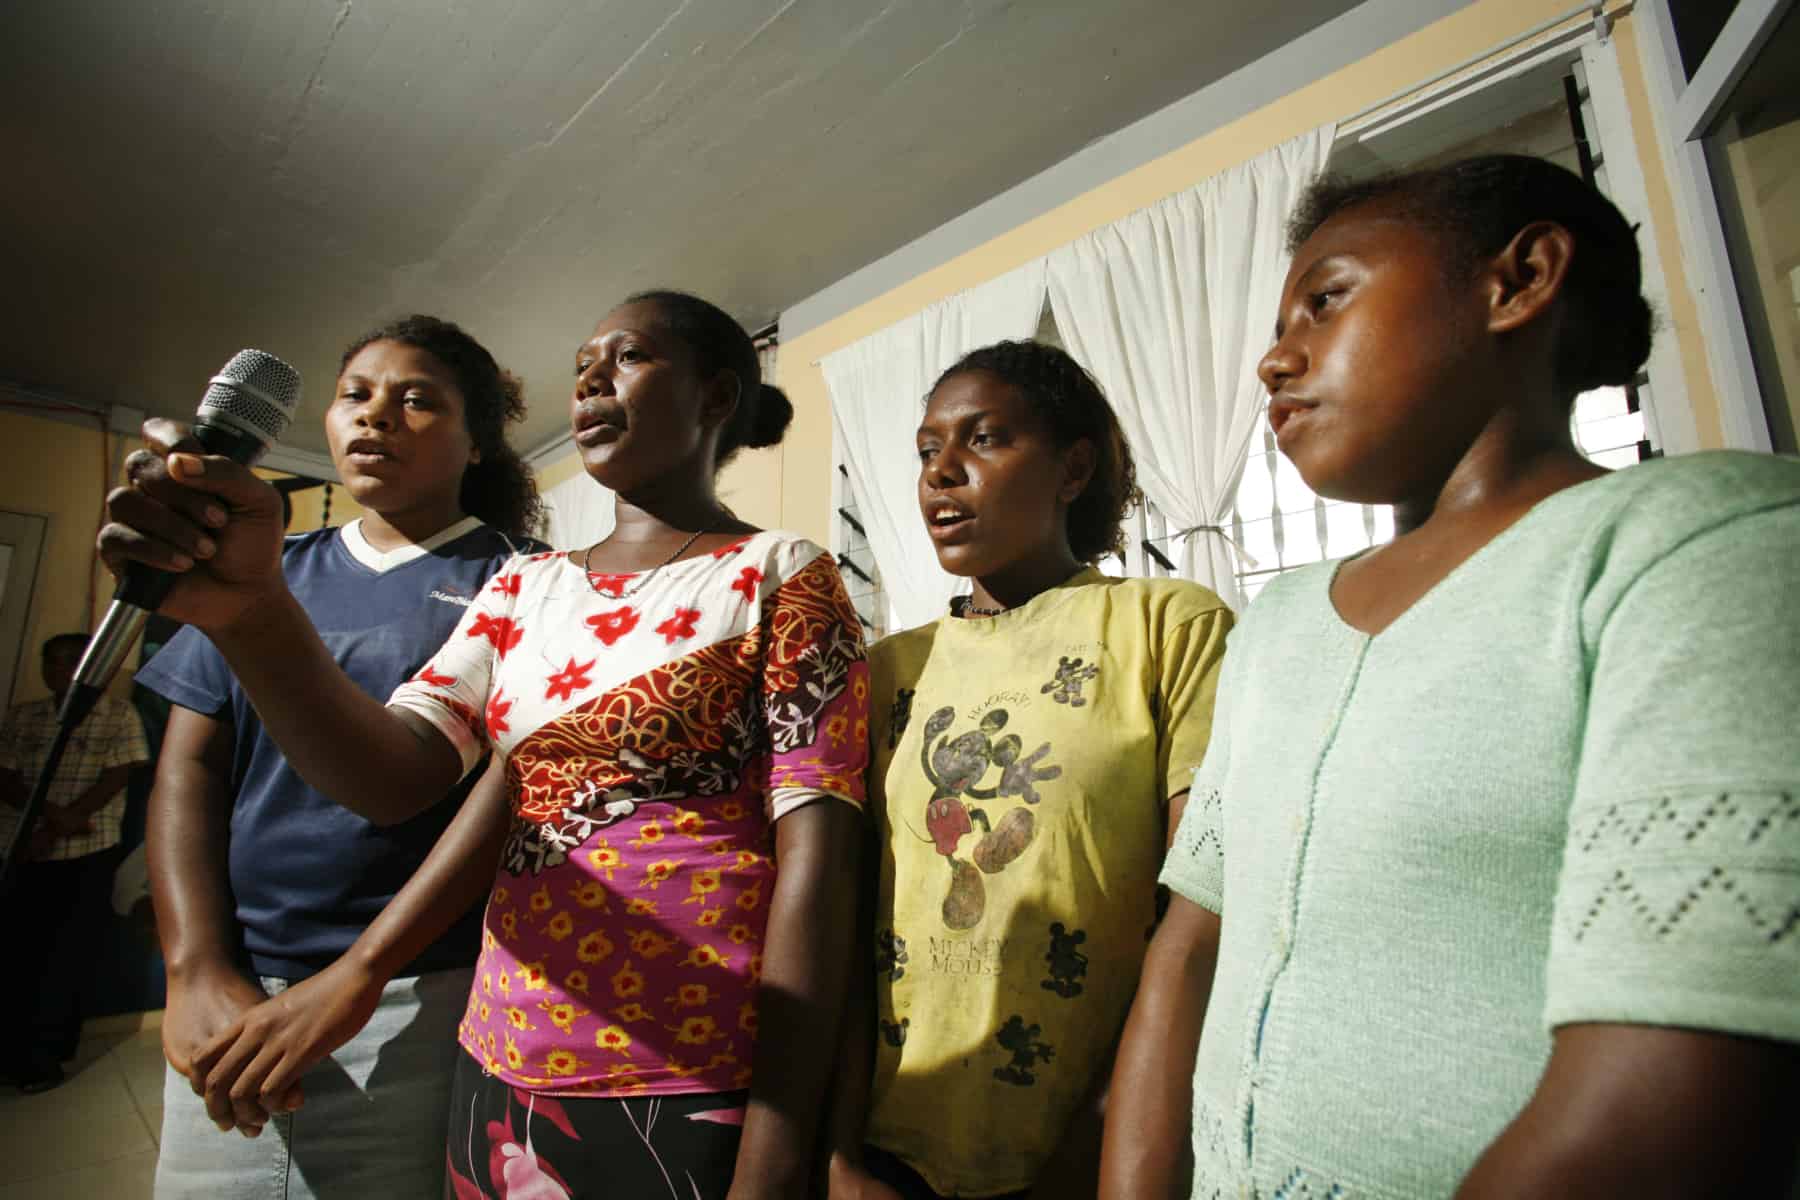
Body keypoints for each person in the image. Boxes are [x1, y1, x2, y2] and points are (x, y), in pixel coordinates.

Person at [1100, 154, 1800, 1199]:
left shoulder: (1698, 544)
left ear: (1519, 281)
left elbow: (1666, 1098)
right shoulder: (1277, 625)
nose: (1272, 363)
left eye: (1324, 301)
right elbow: (1191, 946)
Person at [104, 289, 869, 1198]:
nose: (591, 378)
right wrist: (256, 614)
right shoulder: (525, 589)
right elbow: (395, 779)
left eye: (627, 358)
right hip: (501, 1058)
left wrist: (780, 1148)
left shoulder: (780, 573)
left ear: (715, 397)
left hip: (693, 1067)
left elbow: (819, 865)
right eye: (583, 363)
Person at [131, 314, 546, 1197]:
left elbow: (514, 790)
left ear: (477, 444)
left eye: (416, 401)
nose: (375, 417)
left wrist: (367, 974)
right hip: (240, 986)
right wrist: (196, 965)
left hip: (428, 993)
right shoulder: (261, 567)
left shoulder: (527, 581)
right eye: (355, 395)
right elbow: (190, 769)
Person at [827, 341, 1235, 1200]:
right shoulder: (890, 668)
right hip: (890, 1143)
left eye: (984, 439)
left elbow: (1207, 905)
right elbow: (849, 917)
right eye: (927, 449)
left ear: (1073, 468)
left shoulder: (1166, 627)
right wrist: (837, 1153)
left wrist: (1113, 1125)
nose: (942, 473)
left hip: (1091, 1139)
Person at [0, 631, 151, 1092]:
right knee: (17, 952)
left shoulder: (119, 716)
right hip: (25, 849)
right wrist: (50, 819)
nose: (64, 671)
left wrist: (65, 823)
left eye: (73, 661)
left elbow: (118, 775)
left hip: (87, 852)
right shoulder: (25, 717)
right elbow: (5, 775)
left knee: (67, 955)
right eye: (54, 662)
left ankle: (46, 1056)